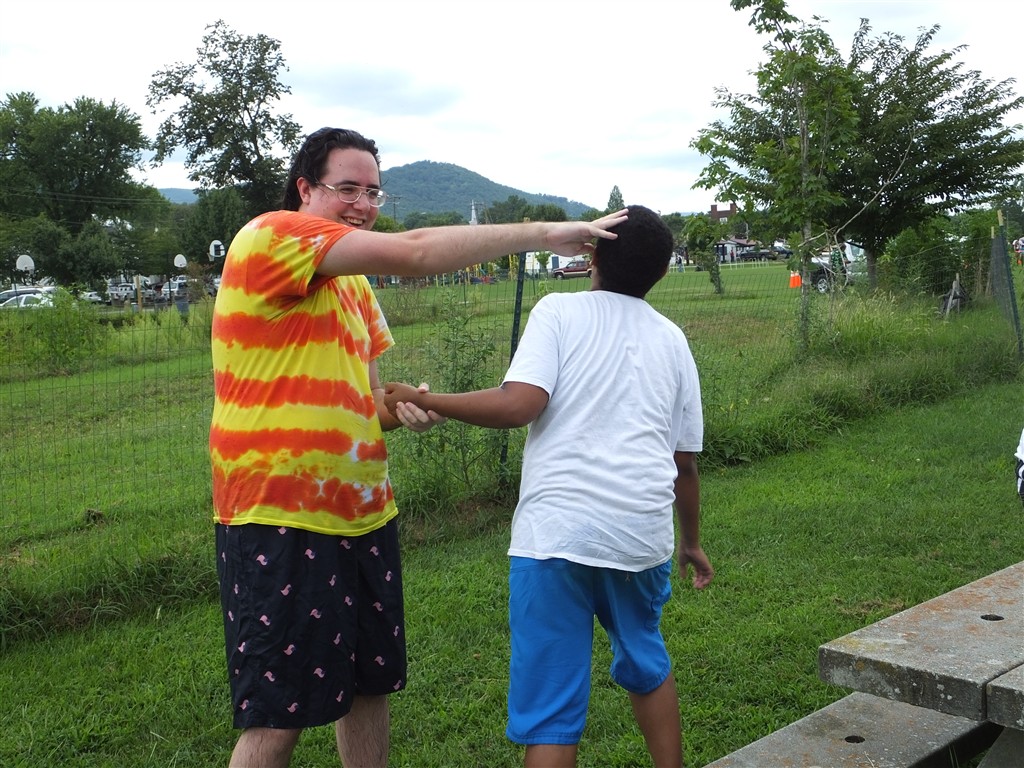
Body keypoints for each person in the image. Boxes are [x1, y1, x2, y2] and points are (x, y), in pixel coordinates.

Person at [209, 126, 626, 768]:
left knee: (369, 687)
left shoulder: (353, 286)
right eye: (347, 189)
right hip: (279, 515)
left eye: (373, 193)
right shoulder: (271, 237)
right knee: (278, 713)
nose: (363, 205)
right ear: (305, 189)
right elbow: (417, 251)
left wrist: (405, 409)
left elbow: (370, 403)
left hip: (364, 513)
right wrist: (544, 232)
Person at [384, 205, 714, 768]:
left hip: (555, 536)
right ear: (662, 273)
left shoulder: (558, 310)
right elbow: (683, 464)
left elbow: (520, 405)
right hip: (640, 536)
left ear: (591, 254)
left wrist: (429, 399)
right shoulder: (673, 339)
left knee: (552, 709)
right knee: (646, 661)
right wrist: (691, 542)